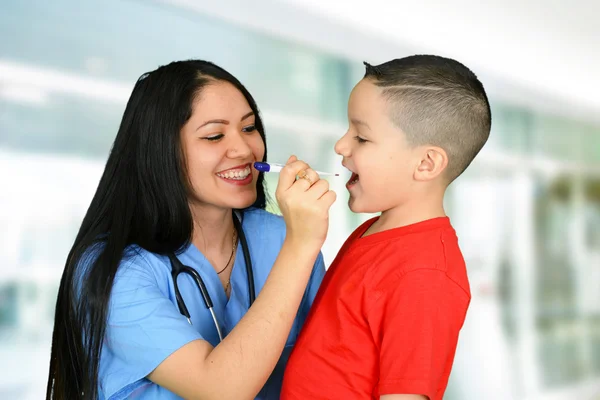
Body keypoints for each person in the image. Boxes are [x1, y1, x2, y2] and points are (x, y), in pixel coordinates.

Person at [45, 59, 336, 400]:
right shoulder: (111, 270)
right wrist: (300, 246)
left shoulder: (280, 239)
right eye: (214, 135)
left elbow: (332, 368)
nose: (243, 150)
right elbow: (219, 389)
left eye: (248, 128)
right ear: (162, 149)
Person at [281, 55, 492, 400]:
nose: (340, 146)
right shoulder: (371, 232)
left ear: (426, 163)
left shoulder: (426, 274)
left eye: (361, 138)